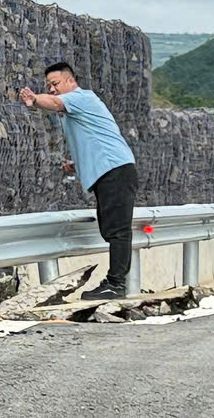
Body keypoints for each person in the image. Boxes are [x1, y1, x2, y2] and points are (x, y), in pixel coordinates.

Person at [16, 60, 136, 299]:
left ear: (71, 81)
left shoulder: (81, 98)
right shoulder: (78, 107)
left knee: (118, 230)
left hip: (115, 169)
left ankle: (116, 284)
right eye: (48, 85)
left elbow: (54, 102)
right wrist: (79, 163)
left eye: (55, 83)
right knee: (111, 229)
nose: (51, 89)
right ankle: (115, 283)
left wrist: (35, 99)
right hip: (111, 170)